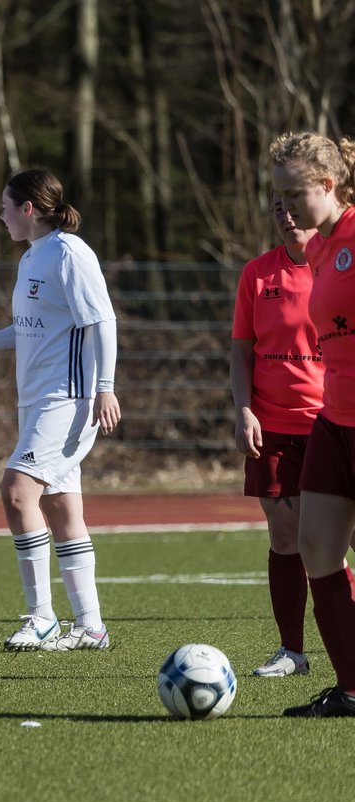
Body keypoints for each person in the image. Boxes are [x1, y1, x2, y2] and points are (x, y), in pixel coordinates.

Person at [0, 167, 120, 652]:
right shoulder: (33, 257)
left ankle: (41, 617)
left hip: (68, 399)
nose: (1, 215)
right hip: (35, 402)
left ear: (28, 209)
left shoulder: (71, 253)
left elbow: (102, 321)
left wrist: (106, 388)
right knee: (60, 506)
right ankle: (91, 626)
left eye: (7, 207)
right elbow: (36, 327)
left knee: (16, 491)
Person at [271, 131, 355, 717]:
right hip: (334, 419)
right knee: (315, 547)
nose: (285, 207)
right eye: (277, 195)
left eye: (295, 193)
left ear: (328, 185)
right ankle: (351, 690)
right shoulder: (320, 252)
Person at [231, 196, 324, 677]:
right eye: (276, 208)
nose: (286, 217)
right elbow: (242, 352)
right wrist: (244, 409)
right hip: (273, 426)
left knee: (336, 539)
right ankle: (293, 652)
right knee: (285, 535)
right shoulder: (257, 274)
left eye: (294, 206)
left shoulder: (341, 266)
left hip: (334, 424)